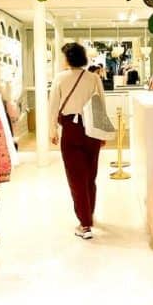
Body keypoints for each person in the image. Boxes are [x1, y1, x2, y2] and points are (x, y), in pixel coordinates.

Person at [49, 42, 106, 240]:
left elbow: (53, 106)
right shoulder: (93, 77)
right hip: (92, 130)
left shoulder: (60, 78)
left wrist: (52, 130)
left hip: (71, 130)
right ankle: (88, 214)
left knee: (76, 178)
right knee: (90, 176)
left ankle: (85, 225)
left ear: (68, 58)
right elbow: (101, 104)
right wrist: (102, 132)